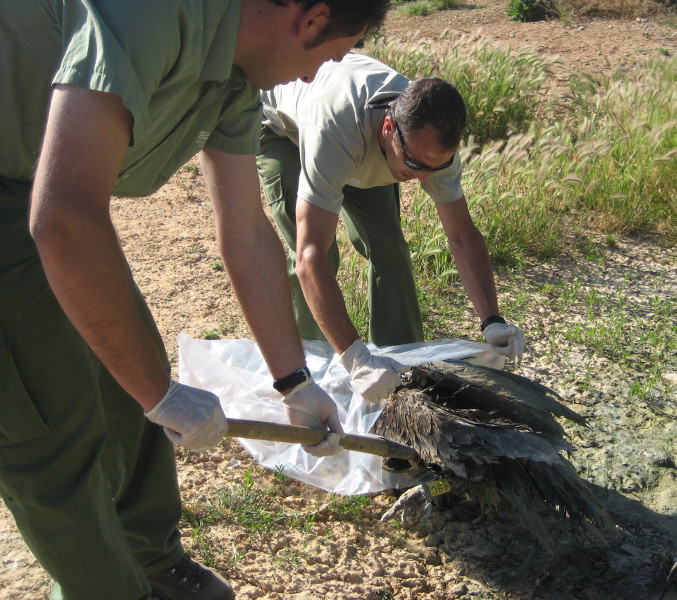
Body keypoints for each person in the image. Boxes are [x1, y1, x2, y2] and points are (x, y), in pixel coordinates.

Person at [0, 1, 389, 599]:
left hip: (31, 175)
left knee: (127, 374)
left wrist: (294, 382)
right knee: (49, 426)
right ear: (309, 19)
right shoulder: (155, 12)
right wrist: (161, 393)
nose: (317, 76)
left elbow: (247, 230)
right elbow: (66, 220)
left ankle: (153, 561)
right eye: (334, 52)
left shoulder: (237, 70)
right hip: (25, 185)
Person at [257, 52, 526, 403]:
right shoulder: (335, 129)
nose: (423, 178)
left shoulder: (428, 145)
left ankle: (403, 371)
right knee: (316, 255)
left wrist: (491, 319)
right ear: (388, 129)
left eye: (435, 167)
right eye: (415, 164)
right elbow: (311, 258)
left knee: (390, 250)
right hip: (285, 131)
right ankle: (318, 375)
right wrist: (356, 359)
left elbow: (461, 234)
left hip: (367, 144)